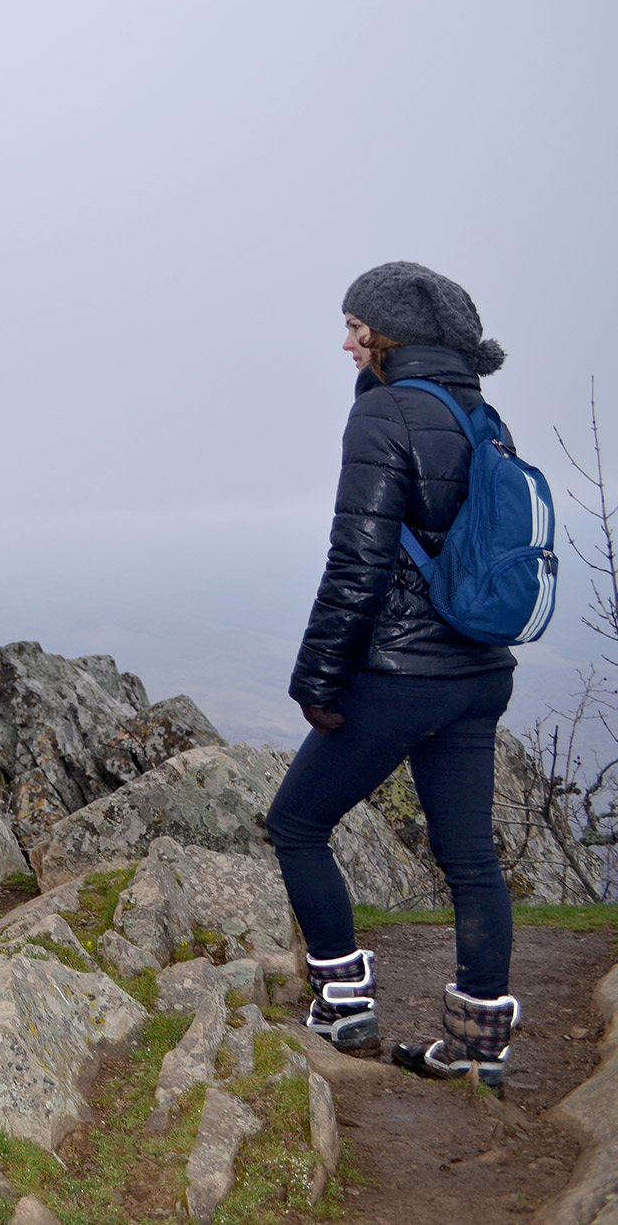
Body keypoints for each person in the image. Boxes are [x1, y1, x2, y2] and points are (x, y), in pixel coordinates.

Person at [268, 260, 522, 1087]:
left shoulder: (382, 417)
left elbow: (358, 563)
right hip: (480, 671)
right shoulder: (484, 417)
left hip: (401, 672)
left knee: (298, 822)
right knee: (471, 858)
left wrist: (319, 679)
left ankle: (343, 1004)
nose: (347, 342)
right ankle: (479, 1047)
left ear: (391, 335)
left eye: (357, 327)